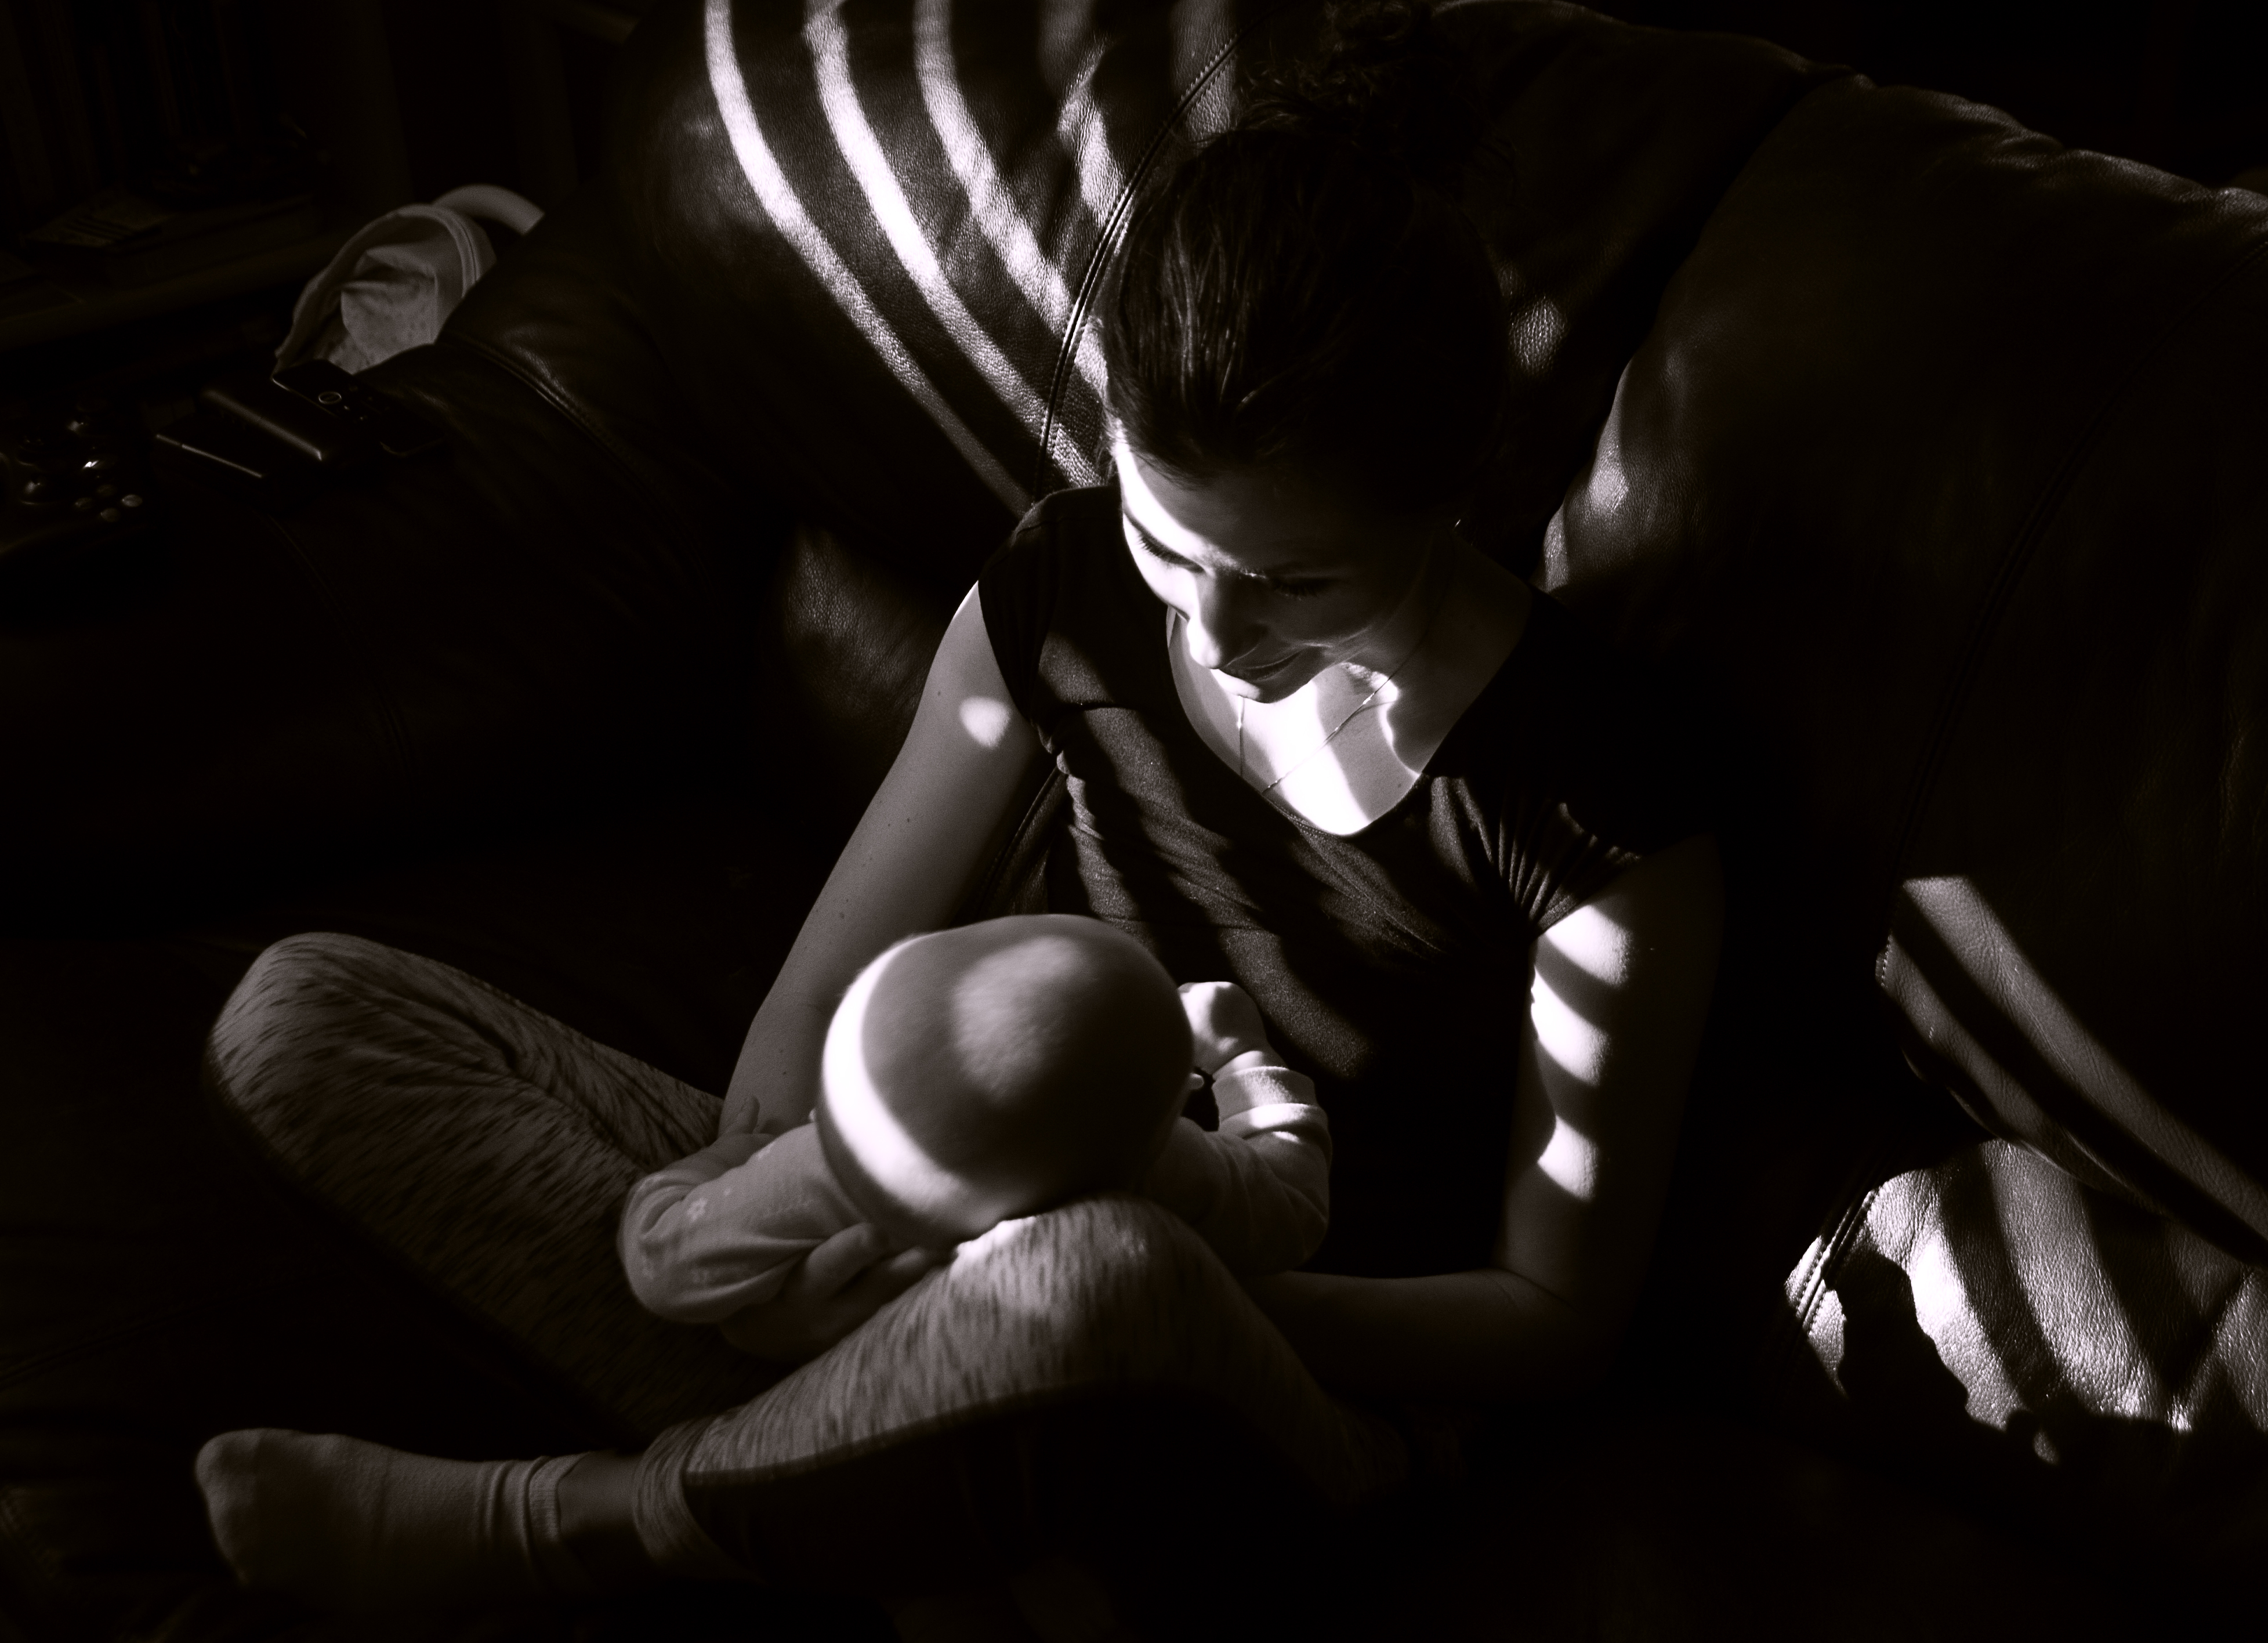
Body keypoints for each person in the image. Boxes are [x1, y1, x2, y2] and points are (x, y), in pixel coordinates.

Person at [190, 1, 1724, 1630]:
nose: (1212, 634)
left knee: (1087, 1277)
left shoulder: (1600, 800)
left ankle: (587, 1522)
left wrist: (1085, 1262)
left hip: (1273, 1371)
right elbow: (815, 1003)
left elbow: (1552, 1323)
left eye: (1296, 583)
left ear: (1453, 493)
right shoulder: (1058, 583)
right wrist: (789, 1221)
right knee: (309, 1015)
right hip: (934, 1225)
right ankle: (883, 1497)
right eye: (1169, 543)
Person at [624, 915, 1335, 1339]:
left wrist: (714, 1163)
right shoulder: (1165, 1167)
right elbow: (1295, 1206)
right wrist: (1245, 1056)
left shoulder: (812, 1174)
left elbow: (662, 1267)